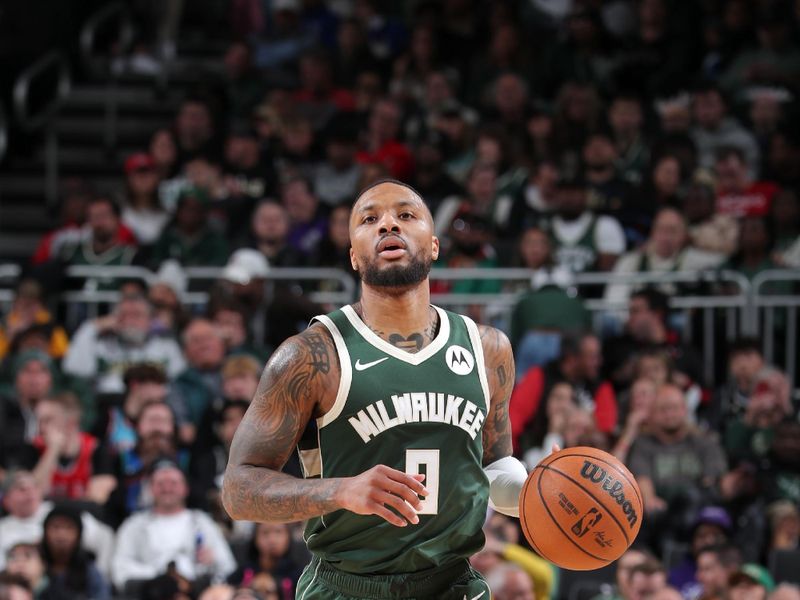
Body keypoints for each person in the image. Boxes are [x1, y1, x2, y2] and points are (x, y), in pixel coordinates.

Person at [223, 180, 529, 599]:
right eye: (370, 219)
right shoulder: (310, 356)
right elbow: (238, 491)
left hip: (452, 583)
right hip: (347, 586)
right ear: (353, 255)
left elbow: (495, 467)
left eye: (406, 215)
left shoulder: (488, 349)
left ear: (435, 245)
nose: (388, 224)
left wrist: (536, 494)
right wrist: (341, 490)